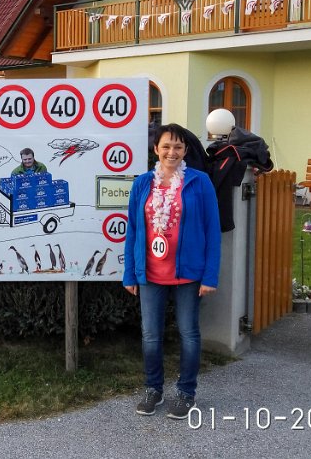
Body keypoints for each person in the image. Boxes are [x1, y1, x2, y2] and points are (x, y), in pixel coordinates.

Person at [123, 123, 221, 419]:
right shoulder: (143, 183)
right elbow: (133, 230)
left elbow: (212, 230)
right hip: (151, 272)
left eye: (178, 147)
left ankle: (186, 393)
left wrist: (210, 275)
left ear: (185, 150)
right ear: (156, 149)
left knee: (188, 333)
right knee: (150, 335)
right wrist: (130, 273)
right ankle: (153, 389)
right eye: (166, 146)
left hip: (188, 273)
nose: (172, 152)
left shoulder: (200, 182)